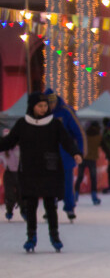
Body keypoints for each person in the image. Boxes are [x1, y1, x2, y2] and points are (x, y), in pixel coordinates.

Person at [0, 91, 82, 252]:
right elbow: (9, 142)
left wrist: (76, 153)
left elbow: (66, 140)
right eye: (40, 106)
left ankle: (54, 235)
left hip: (50, 169)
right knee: (30, 205)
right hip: (30, 170)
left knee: (50, 205)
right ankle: (31, 236)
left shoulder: (55, 124)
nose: (44, 109)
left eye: (45, 105)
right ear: (32, 106)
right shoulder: (23, 124)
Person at [43, 89, 85, 221]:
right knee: (49, 183)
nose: (50, 106)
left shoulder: (66, 112)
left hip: (66, 154)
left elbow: (79, 133)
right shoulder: (42, 113)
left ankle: (69, 207)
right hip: (49, 155)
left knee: (66, 183)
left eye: (52, 103)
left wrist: (80, 152)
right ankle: (50, 207)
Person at [74, 121, 103, 206]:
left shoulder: (84, 135)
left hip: (83, 158)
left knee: (80, 177)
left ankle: (75, 195)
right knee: (93, 178)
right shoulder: (99, 137)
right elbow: (105, 146)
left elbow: (78, 144)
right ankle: (94, 196)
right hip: (92, 159)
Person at [0, 129, 24, 220]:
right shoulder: (3, 151)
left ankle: (24, 210)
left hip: (20, 174)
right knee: (9, 193)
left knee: (22, 193)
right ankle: (9, 210)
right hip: (9, 173)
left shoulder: (19, 148)